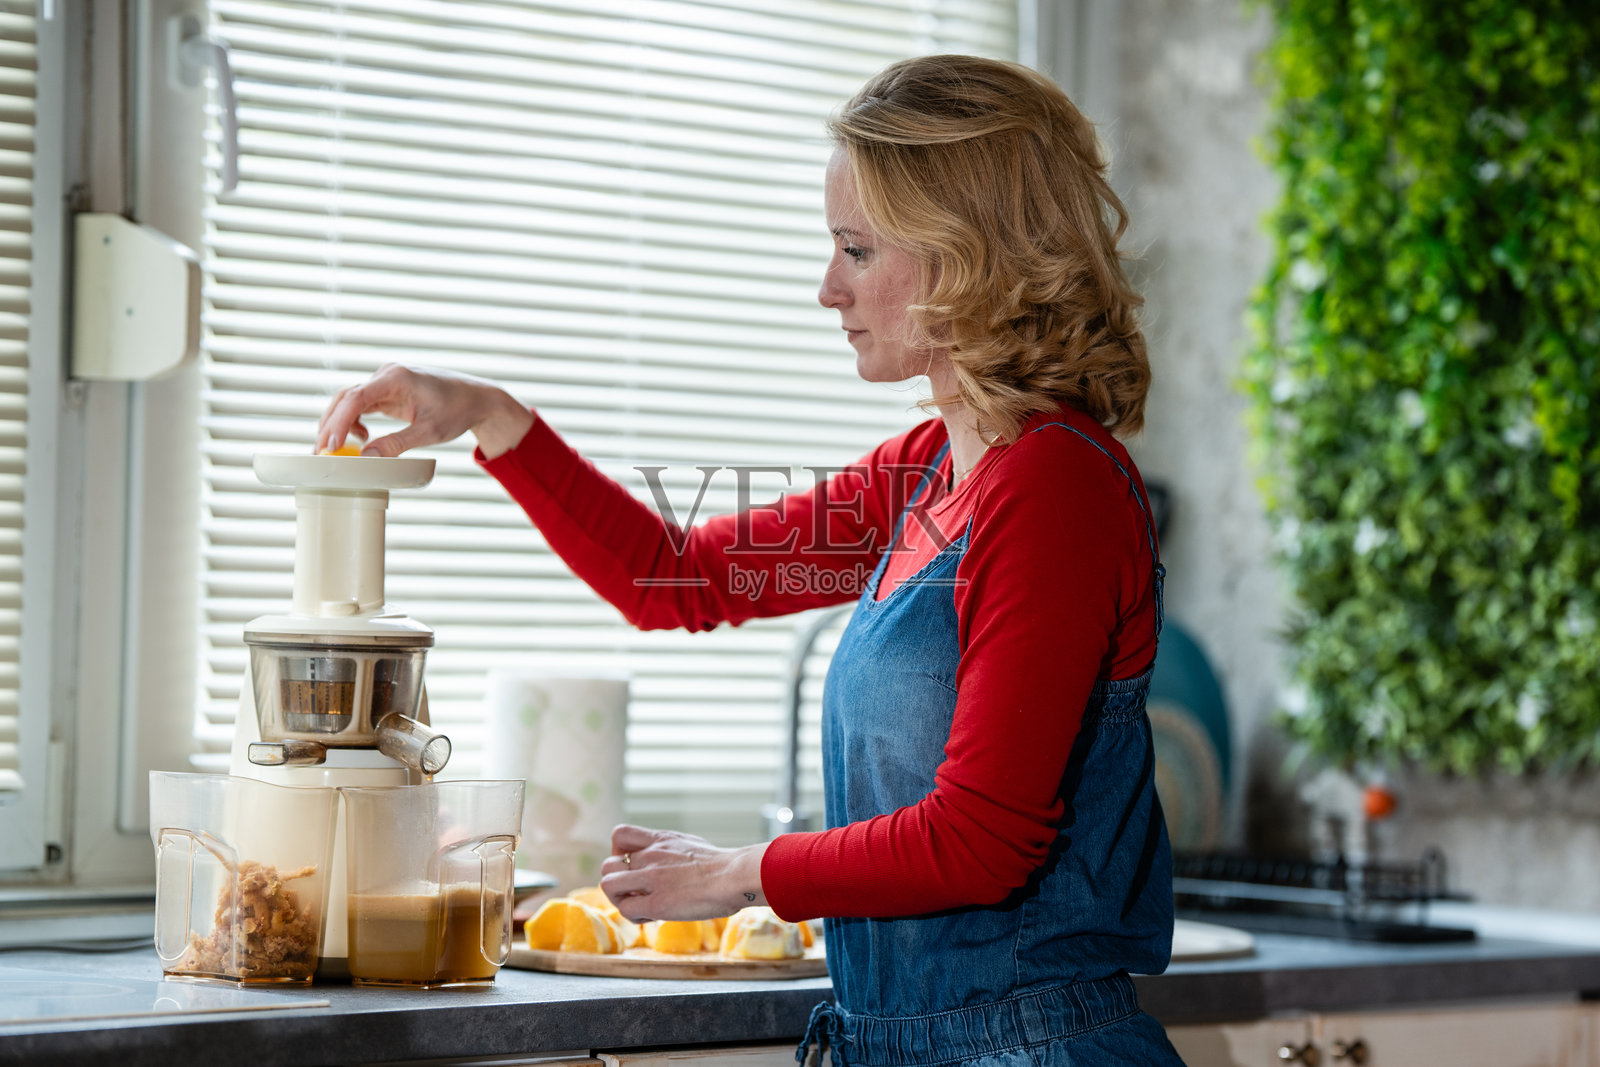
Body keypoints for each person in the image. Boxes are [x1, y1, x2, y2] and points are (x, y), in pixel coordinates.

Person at [318, 54, 1182, 1067]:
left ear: (969, 254)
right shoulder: (927, 474)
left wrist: (734, 871)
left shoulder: (1053, 490)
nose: (827, 289)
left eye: (856, 250)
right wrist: (491, 418)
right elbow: (677, 578)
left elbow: (982, 838)